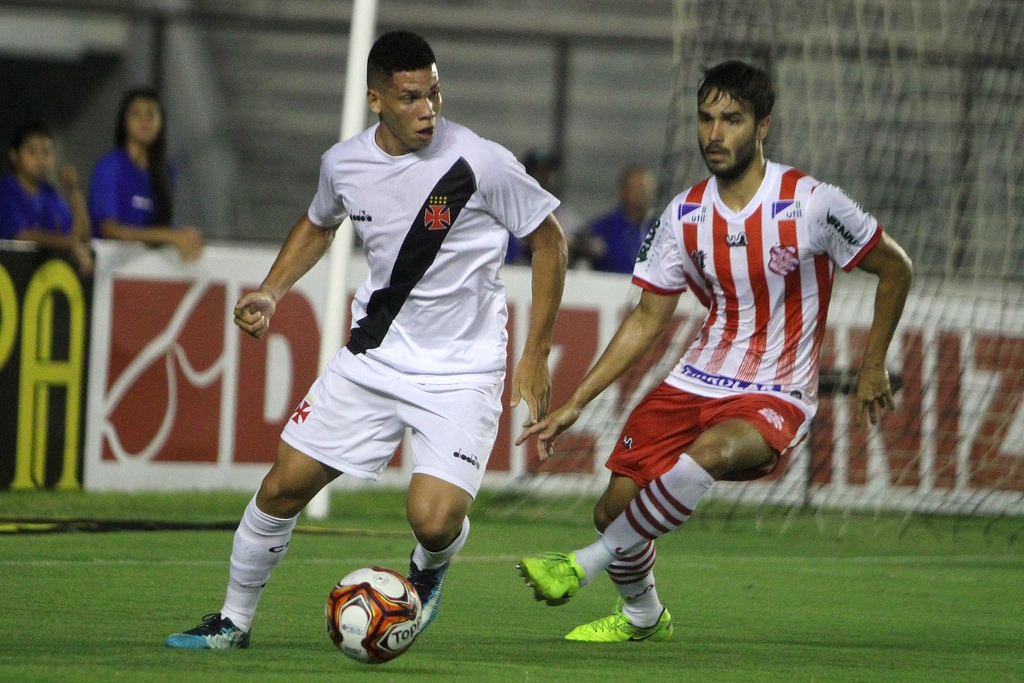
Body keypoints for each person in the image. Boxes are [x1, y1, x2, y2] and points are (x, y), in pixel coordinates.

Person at [165, 29, 567, 650]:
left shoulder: (480, 161)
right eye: (410, 98)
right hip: (375, 356)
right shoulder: (344, 163)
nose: (428, 109)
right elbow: (319, 222)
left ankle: (428, 572)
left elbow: (550, 243)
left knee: (433, 521)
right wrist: (272, 290)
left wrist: (535, 353)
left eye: (434, 93)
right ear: (376, 99)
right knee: (281, 486)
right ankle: (232, 622)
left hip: (462, 369)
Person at [515, 60, 913, 642]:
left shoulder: (812, 203)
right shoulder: (682, 215)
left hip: (777, 390)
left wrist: (873, 363)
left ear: (762, 127)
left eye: (731, 119)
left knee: (716, 449)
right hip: (697, 380)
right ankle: (644, 617)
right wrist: (577, 399)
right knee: (613, 509)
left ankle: (584, 563)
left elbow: (895, 270)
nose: (715, 134)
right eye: (706, 119)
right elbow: (648, 316)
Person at [88, 88, 204, 261]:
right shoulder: (111, 166)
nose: (145, 120)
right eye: (136, 114)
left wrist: (182, 238)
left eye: (151, 114)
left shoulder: (166, 171)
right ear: (124, 121)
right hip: (109, 271)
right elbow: (109, 230)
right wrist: (168, 236)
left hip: (147, 270)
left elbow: (163, 223)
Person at [0, 120, 93, 275]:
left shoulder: (49, 193)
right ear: (14, 156)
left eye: (46, 152)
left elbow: (82, 236)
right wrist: (70, 244)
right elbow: (22, 236)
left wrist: (73, 190)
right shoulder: (6, 190)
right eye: (32, 151)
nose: (40, 159)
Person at [505, 150, 583, 266]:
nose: (543, 178)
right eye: (537, 172)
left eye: (548, 172)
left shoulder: (567, 219)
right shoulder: (507, 214)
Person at [575, 164, 655, 273]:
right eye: (635, 189)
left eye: (644, 189)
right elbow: (578, 246)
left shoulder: (659, 229)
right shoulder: (604, 228)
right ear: (623, 191)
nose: (640, 194)